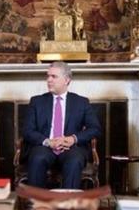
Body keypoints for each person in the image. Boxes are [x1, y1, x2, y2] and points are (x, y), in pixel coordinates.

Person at [22, 61, 101, 189]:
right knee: (37, 158)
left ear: (67, 80)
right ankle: (36, 200)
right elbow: (27, 130)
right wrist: (48, 142)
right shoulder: (37, 101)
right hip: (44, 146)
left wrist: (73, 139)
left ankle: (68, 201)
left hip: (71, 147)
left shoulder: (81, 102)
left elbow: (95, 129)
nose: (49, 80)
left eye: (54, 76)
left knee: (74, 160)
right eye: (48, 76)